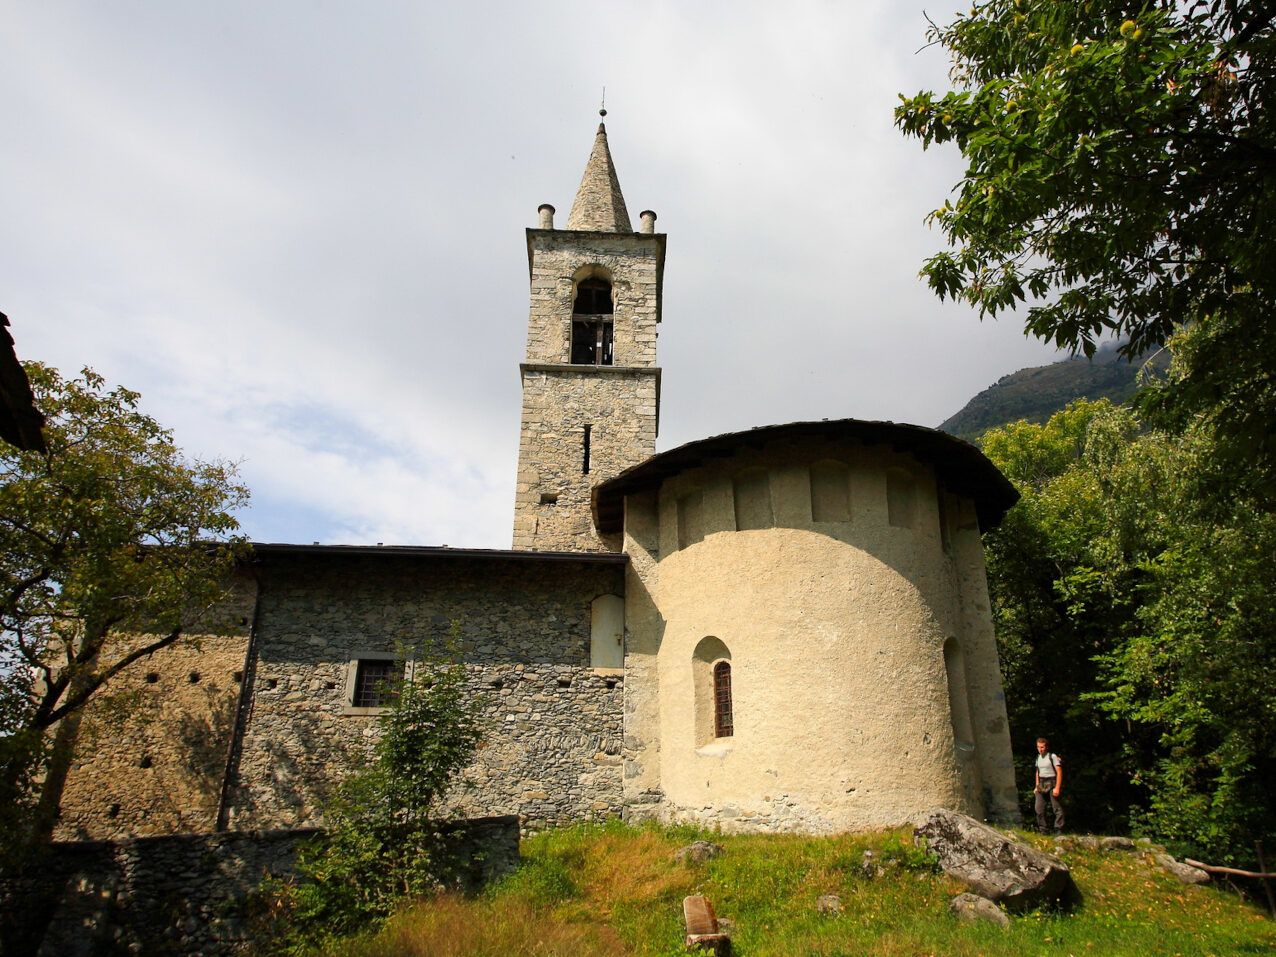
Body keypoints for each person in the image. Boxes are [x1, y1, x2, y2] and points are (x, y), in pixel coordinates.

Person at [1034, 737, 1064, 832]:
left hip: (1052, 781)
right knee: (1038, 808)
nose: (1040, 749)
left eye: (1042, 747)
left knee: (1056, 807)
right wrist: (1036, 786)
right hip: (1042, 782)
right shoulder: (1038, 757)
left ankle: (1058, 828)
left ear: (1046, 747)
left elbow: (1059, 772)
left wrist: (1057, 788)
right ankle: (1043, 830)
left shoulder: (1052, 756)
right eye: (1038, 747)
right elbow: (1037, 772)